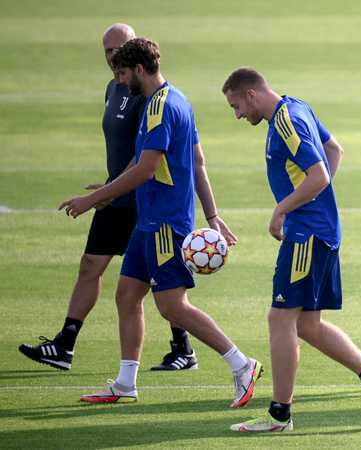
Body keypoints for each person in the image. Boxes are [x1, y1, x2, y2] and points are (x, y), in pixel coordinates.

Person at [59, 38, 261, 407]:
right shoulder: (178, 99)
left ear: (138, 69)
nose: (119, 81)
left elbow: (147, 168)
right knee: (126, 295)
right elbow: (192, 163)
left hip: (165, 225)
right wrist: (212, 215)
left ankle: (242, 364)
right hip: (149, 222)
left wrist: (93, 200)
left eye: (122, 73)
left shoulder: (157, 109)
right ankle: (125, 383)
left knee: (171, 305)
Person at [221, 68, 361, 432]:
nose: (238, 114)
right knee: (306, 324)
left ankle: (279, 415)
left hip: (307, 234)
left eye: (236, 105)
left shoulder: (285, 121)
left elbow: (318, 174)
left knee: (280, 318)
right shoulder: (296, 106)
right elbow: (335, 149)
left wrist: (285, 208)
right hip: (318, 229)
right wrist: (316, 200)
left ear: (252, 95)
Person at [18, 24, 198, 372]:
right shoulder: (113, 89)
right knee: (94, 267)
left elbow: (148, 155)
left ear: (136, 54)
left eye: (120, 49)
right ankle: (65, 344)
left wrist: (105, 191)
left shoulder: (150, 94)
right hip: (115, 195)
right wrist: (107, 188)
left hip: (140, 198)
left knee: (161, 281)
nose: (113, 56)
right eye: (107, 51)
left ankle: (186, 348)